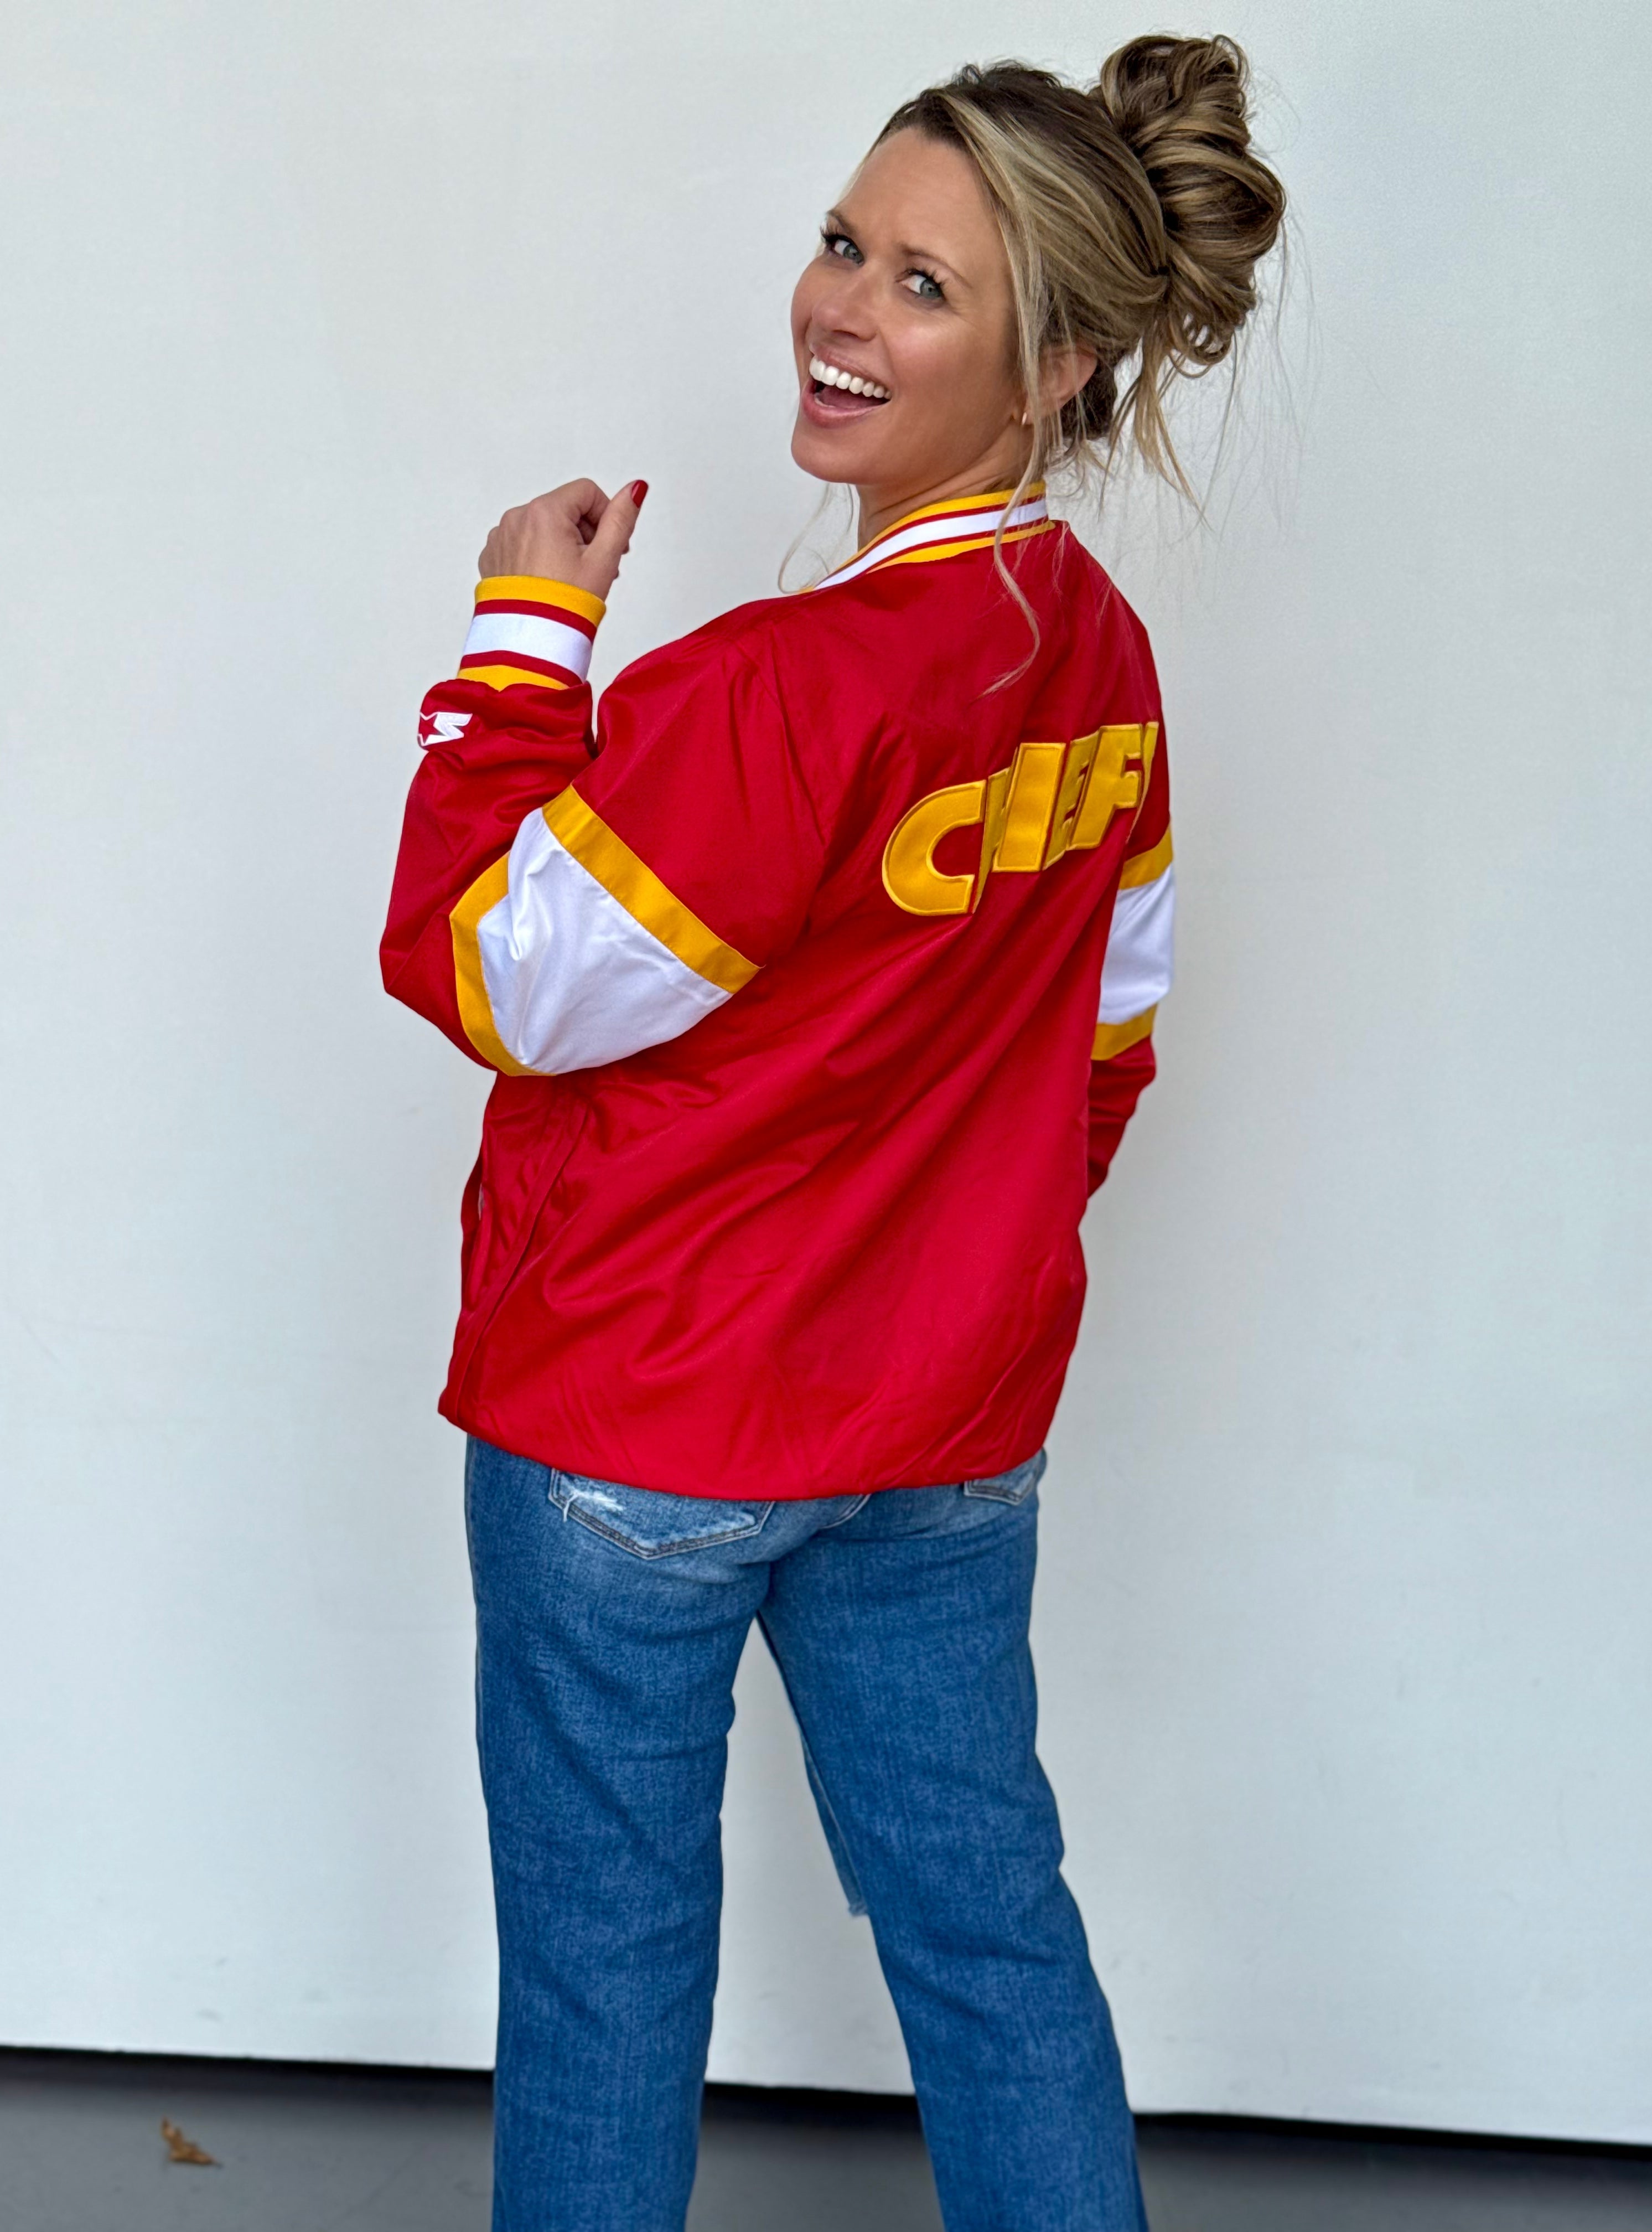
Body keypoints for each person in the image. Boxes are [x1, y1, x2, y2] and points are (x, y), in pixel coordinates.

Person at [382, 35, 1285, 2232]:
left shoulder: (777, 690)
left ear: (1059, 367)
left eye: (924, 285)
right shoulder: (1100, 657)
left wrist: (524, 643)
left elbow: (491, 970)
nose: (841, 310)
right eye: (842, 244)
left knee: (605, 1975)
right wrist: (944, 1247)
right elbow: (1108, 1040)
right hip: (943, 1429)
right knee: (989, 1937)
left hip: (639, 1432)